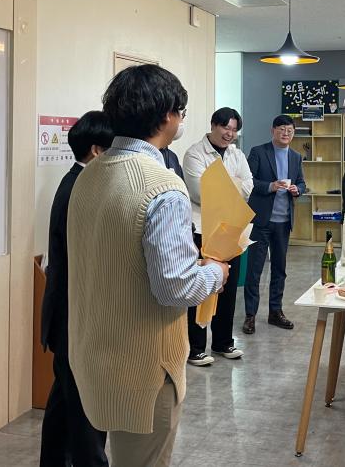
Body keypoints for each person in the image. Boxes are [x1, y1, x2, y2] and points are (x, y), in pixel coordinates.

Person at [67, 65, 229, 467]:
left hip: (92, 354)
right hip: (144, 368)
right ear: (168, 115)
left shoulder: (89, 174)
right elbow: (175, 287)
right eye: (181, 113)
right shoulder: (163, 187)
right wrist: (216, 272)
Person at [39, 111, 114, 467]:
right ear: (97, 151)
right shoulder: (80, 189)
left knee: (64, 399)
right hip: (74, 314)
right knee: (85, 405)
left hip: (67, 313)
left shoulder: (74, 182)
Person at [182, 107, 253, 366]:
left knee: (228, 289)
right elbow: (200, 192)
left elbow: (248, 186)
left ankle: (223, 342)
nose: (229, 134)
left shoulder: (237, 154)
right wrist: (232, 185)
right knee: (200, 288)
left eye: (234, 130)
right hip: (203, 229)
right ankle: (195, 348)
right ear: (213, 125)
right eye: (225, 128)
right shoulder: (194, 154)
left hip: (231, 229)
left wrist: (223, 186)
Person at [243, 115, 306, 334]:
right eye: (281, 129)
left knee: (280, 269)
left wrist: (298, 189)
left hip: (283, 221)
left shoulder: (296, 157)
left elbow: (301, 182)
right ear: (273, 131)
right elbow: (248, 181)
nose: (285, 133)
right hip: (261, 221)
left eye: (290, 130)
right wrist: (270, 186)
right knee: (254, 270)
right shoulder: (259, 152)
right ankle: (250, 315)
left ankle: (275, 312)